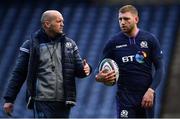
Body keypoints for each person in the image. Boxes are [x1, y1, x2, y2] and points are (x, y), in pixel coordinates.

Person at [3, 10, 91, 118]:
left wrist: (87, 69)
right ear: (47, 24)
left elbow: (79, 71)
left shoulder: (70, 44)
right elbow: (19, 73)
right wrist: (9, 99)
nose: (62, 24)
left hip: (63, 102)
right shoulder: (30, 45)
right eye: (59, 21)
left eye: (62, 21)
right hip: (41, 101)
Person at [95, 5, 164, 118]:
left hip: (146, 97)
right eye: (120, 19)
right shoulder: (113, 43)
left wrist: (151, 90)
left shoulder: (150, 40)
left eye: (126, 19)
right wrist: (99, 77)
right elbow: (99, 69)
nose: (122, 22)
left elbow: (160, 68)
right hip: (125, 99)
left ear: (136, 19)